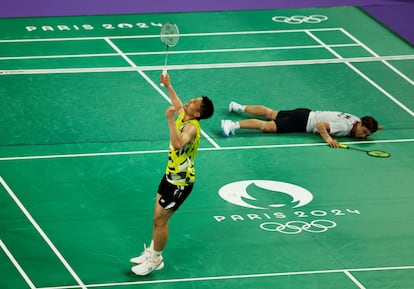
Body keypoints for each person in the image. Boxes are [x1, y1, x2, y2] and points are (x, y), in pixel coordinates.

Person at [130, 73, 214, 276]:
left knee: (161, 221)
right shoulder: (185, 114)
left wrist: (169, 119)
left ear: (198, 114)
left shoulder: (192, 128)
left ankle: (156, 259)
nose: (192, 100)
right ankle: (152, 251)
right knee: (156, 219)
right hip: (170, 176)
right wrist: (169, 85)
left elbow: (177, 144)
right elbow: (178, 105)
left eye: (196, 102)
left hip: (181, 183)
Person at [221, 101, 380, 147]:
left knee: (270, 113)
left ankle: (238, 107)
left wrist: (375, 127)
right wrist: (329, 140)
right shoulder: (345, 127)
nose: (363, 136)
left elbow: (368, 125)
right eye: (364, 131)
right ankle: (232, 125)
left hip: (305, 112)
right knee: (266, 126)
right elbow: (320, 126)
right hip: (302, 122)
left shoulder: (356, 119)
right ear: (360, 124)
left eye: (367, 134)